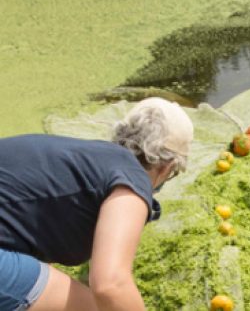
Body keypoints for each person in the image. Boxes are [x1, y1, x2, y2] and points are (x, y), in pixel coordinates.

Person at [0, 97, 193, 311]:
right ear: (167, 167)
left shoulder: (85, 161)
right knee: (92, 307)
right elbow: (111, 285)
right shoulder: (131, 178)